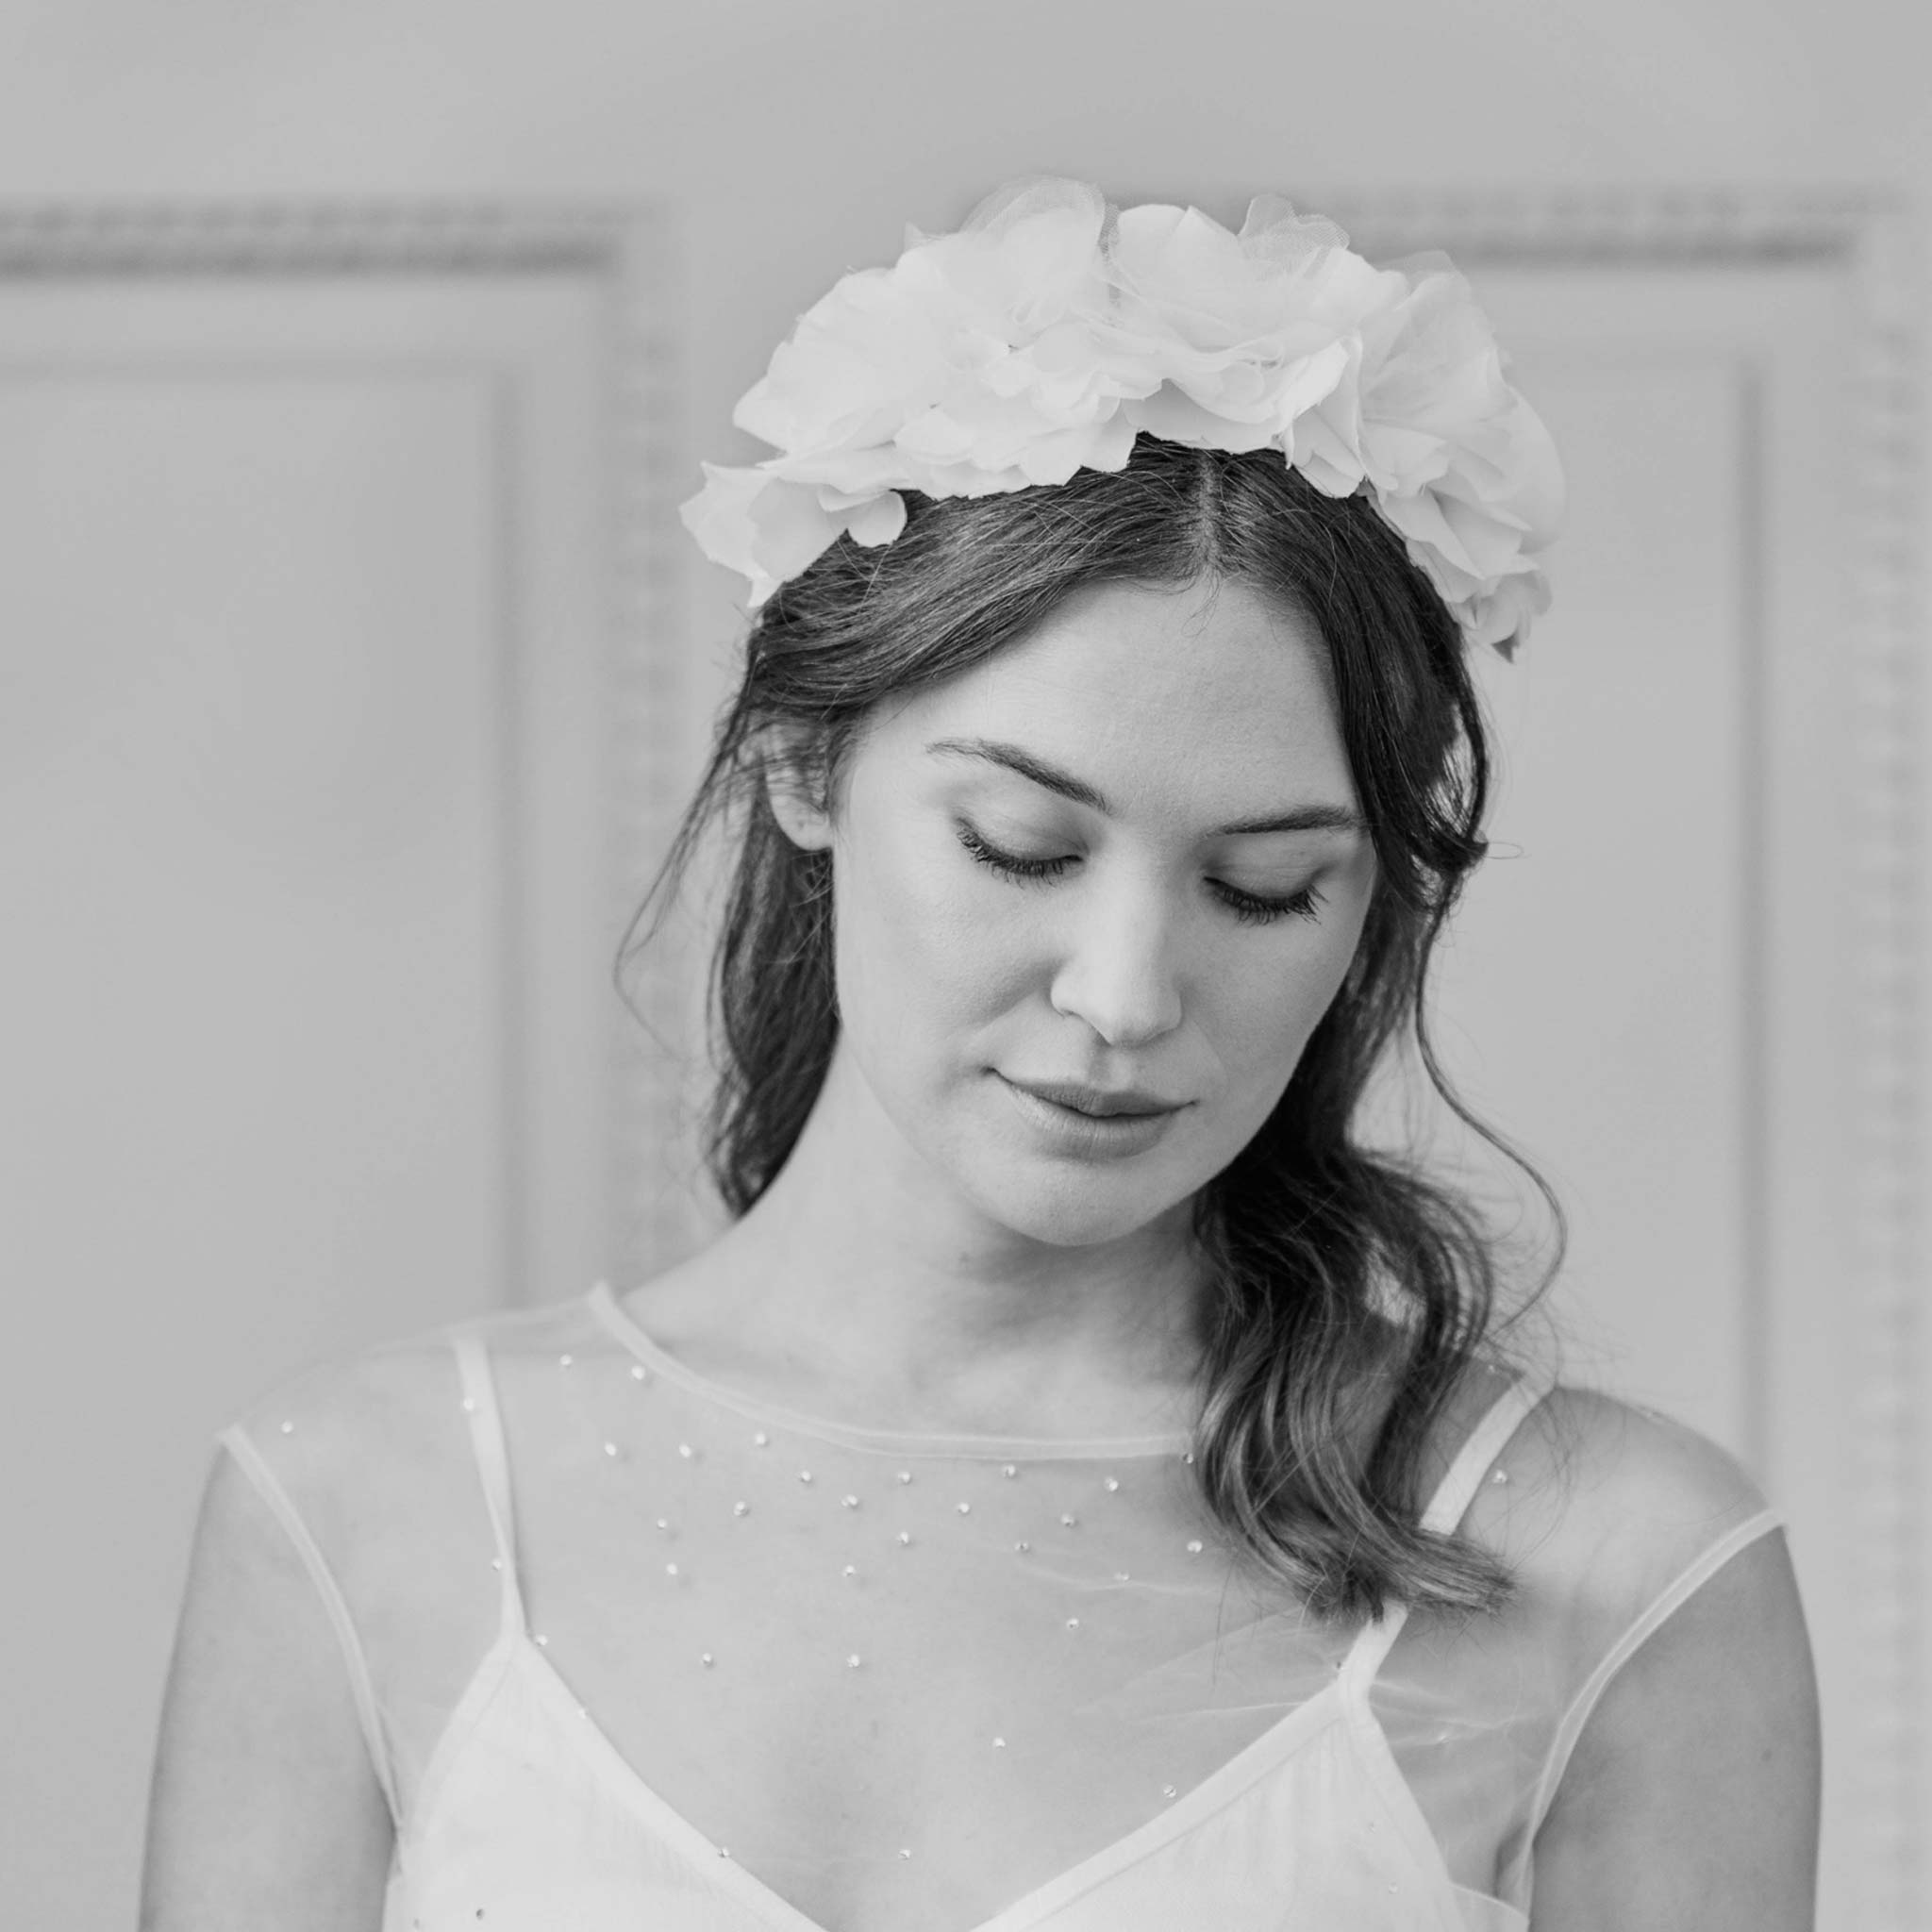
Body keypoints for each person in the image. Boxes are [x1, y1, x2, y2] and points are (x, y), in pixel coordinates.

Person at [142, 179, 1820, 1932]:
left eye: (1261, 889)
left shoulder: (1612, 1565)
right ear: (805, 766)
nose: (1126, 996)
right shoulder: (363, 1505)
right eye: (1023, 848)